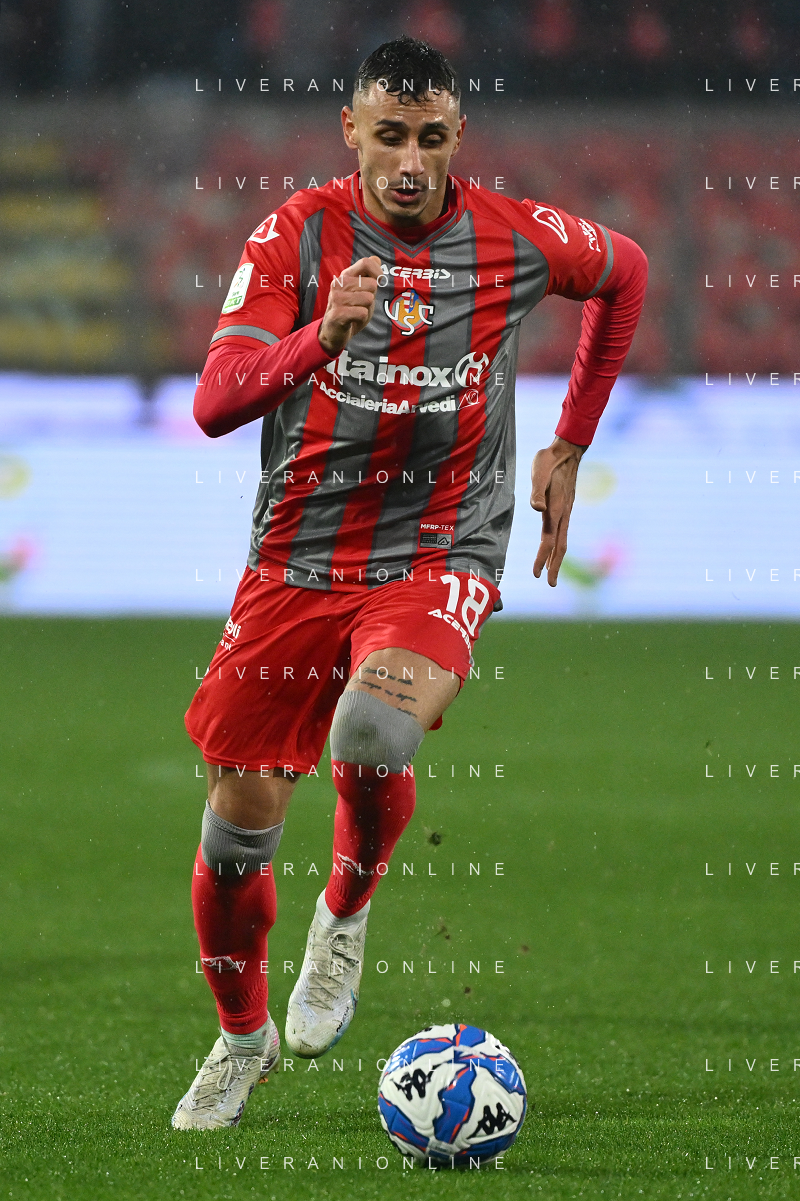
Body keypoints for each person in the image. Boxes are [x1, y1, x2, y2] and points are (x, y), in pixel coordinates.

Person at [171, 34, 647, 1130]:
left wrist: (570, 440)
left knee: (375, 730)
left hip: (440, 544)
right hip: (299, 556)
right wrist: (317, 336)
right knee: (235, 836)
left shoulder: (513, 236)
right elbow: (215, 400)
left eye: (431, 138)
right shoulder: (296, 234)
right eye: (389, 135)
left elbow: (623, 275)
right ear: (351, 132)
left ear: (458, 136)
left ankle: (343, 914)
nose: (410, 161)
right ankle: (241, 1040)